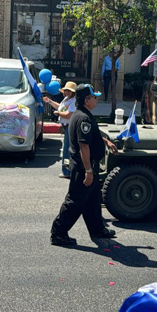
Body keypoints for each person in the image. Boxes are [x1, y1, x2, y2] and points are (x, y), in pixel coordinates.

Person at [50, 84, 118, 246]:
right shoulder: (84, 118)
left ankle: (97, 229)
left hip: (87, 165)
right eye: (94, 97)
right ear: (87, 100)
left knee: (93, 198)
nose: (97, 99)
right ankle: (58, 233)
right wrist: (88, 170)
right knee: (75, 200)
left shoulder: (81, 114)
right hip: (82, 167)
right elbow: (83, 146)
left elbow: (89, 138)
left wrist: (105, 141)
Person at [43, 81, 77, 178]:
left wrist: (58, 114)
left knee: (67, 150)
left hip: (69, 126)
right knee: (66, 149)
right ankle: (67, 170)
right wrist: (50, 101)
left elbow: (68, 114)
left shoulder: (73, 101)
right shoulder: (66, 99)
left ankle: (67, 171)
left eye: (69, 91)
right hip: (65, 126)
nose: (66, 92)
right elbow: (60, 107)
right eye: (66, 90)